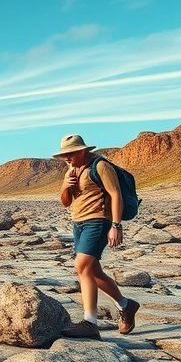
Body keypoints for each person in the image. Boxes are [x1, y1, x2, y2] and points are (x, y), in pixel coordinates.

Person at [55, 134, 140, 338]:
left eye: (71, 154)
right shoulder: (72, 169)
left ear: (83, 150)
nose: (67, 158)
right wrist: (66, 184)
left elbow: (115, 194)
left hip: (99, 221)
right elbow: (66, 202)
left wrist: (116, 225)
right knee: (93, 272)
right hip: (78, 222)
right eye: (65, 155)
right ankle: (126, 305)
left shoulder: (101, 166)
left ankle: (90, 323)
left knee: (82, 266)